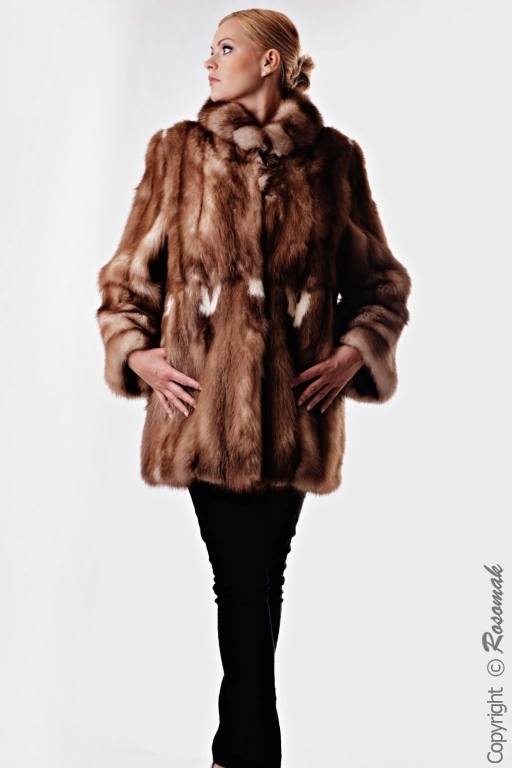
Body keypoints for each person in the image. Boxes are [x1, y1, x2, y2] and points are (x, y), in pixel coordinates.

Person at [96, 8, 412, 768]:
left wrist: (353, 353)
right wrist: (138, 356)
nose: (209, 61)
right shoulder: (176, 153)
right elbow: (125, 282)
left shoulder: (335, 162)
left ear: (270, 62)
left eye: (226, 48)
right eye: (209, 50)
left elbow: (383, 285)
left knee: (260, 581)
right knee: (241, 584)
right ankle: (251, 754)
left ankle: (233, 748)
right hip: (202, 415)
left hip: (296, 418)